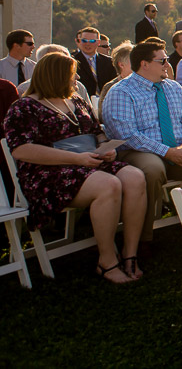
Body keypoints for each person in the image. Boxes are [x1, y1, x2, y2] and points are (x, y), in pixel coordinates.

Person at [3, 52, 146, 282]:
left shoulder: (76, 100)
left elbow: (96, 131)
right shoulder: (24, 107)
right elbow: (21, 150)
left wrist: (104, 147)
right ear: (55, 75)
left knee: (135, 177)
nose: (77, 77)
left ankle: (130, 253)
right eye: (72, 74)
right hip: (50, 170)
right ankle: (107, 261)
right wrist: (77, 160)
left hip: (90, 160)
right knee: (109, 184)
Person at [102, 38, 182, 251]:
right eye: (162, 60)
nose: (168, 64)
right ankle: (142, 239)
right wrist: (166, 152)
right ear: (144, 64)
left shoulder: (173, 88)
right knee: (152, 170)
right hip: (138, 151)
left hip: (177, 148)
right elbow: (127, 135)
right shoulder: (122, 92)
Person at [72, 26, 116, 96]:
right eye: (84, 40)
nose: (88, 44)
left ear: (98, 42)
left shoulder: (109, 62)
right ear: (79, 41)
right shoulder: (72, 61)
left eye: (92, 41)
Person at [97, 41, 134, 117]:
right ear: (121, 64)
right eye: (134, 62)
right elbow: (103, 116)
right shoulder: (110, 88)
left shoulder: (144, 84)